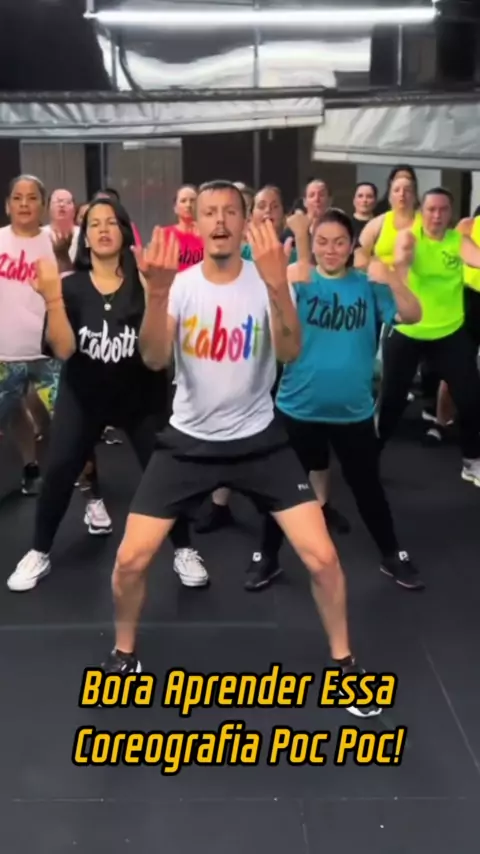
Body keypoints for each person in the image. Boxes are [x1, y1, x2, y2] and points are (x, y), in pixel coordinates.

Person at [101, 180, 383, 719]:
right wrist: (156, 294)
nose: (220, 221)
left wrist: (278, 287)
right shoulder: (181, 286)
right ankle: (124, 654)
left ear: (246, 221)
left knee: (324, 558)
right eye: (209, 212)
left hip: (259, 440)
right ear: (198, 223)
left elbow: (291, 350)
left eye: (230, 211)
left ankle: (344, 665)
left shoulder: (267, 279)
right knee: (130, 560)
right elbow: (155, 358)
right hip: (188, 441)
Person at [248, 209, 424, 592]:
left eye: (339, 242)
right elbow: (276, 319)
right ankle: (267, 556)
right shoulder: (301, 280)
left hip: (352, 412)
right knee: (282, 487)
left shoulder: (367, 285)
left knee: (367, 487)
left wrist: (392, 277)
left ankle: (392, 554)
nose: (331, 249)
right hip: (298, 406)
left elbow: (413, 315)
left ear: (351, 246)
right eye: (323, 242)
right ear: (314, 244)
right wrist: (286, 274)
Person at [7, 197, 170, 592]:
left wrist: (157, 291)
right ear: (85, 237)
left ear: (124, 230)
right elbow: (63, 349)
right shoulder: (70, 286)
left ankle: (185, 547)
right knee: (60, 469)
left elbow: (157, 356)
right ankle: (39, 551)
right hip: (83, 396)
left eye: (110, 222)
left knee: (164, 471)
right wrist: (52, 298)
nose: (102, 229)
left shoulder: (145, 282)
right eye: (94, 224)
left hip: (140, 396)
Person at [377, 188, 480, 486]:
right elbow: (401, 267)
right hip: (409, 330)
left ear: (450, 214)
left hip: (449, 332)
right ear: (422, 211)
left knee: (471, 400)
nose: (437, 215)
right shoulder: (408, 237)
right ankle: (370, 456)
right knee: (392, 401)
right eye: (431, 209)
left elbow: (476, 257)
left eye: (443, 210)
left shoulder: (457, 241)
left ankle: (472, 461)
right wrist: (403, 259)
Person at [0, 174, 61, 495]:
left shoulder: (56, 242)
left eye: (32, 197)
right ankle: (30, 466)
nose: (24, 204)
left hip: (49, 353)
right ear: (7, 206)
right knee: (13, 414)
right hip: (4, 354)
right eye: (17, 198)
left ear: (43, 204)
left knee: (63, 419)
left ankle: (78, 482)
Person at [164, 185, 203, 271]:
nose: (188, 205)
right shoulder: (165, 234)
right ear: (175, 208)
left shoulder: (207, 234)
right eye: (183, 201)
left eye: (192, 201)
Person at [351, 182, 378, 247]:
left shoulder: (381, 224)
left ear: (375, 201)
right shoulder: (345, 226)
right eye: (360, 196)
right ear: (354, 200)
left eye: (369, 196)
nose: (364, 200)